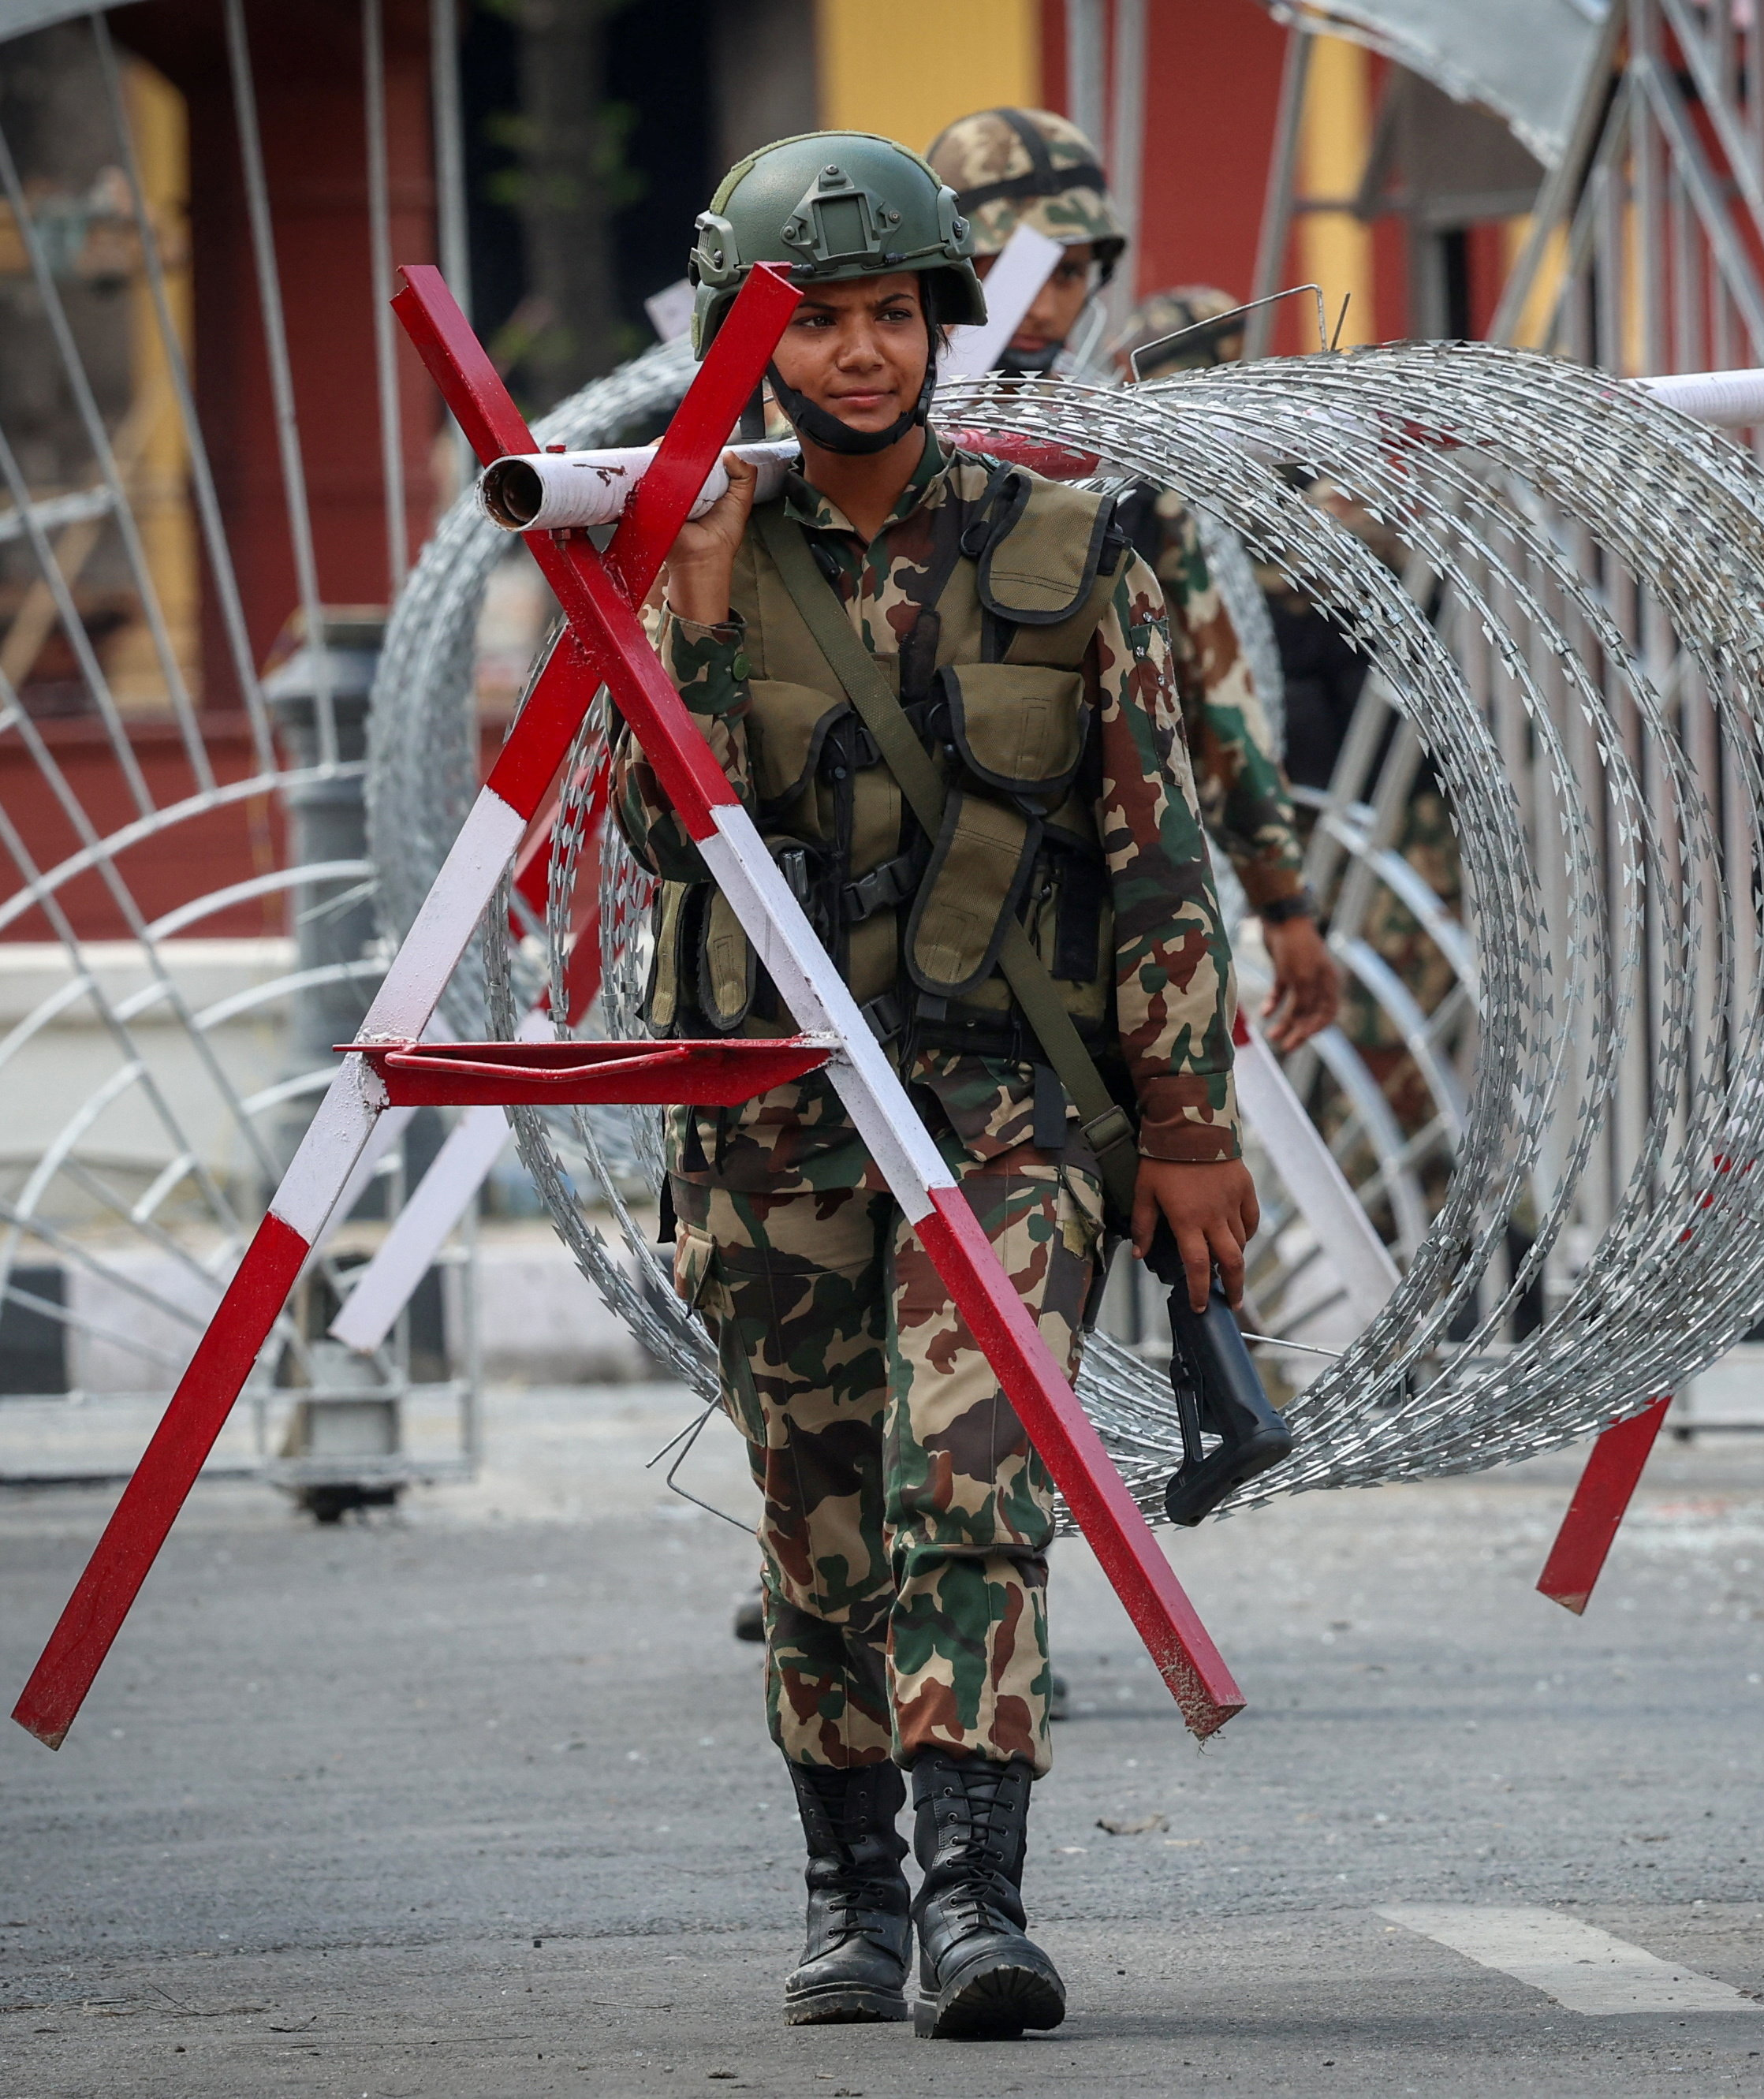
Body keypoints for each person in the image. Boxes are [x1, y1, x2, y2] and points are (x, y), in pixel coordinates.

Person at [631, 132, 1251, 2038]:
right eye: (814, 320)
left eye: (891, 313)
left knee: (970, 1472)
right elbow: (660, 830)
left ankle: (977, 1896)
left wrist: (1186, 1127)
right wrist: (698, 603)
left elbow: (1157, 857)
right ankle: (852, 1894)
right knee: (817, 1511)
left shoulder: (1062, 546)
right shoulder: (686, 545)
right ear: (746, 346)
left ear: (938, 326)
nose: (860, 351)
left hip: (1006, 1106)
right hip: (774, 1113)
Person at [923, 114, 1341, 1052]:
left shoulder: (1116, 457)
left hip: (1079, 884)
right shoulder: (847, 446)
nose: (1039, 302)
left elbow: (1209, 684)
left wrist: (1282, 900)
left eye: (1067, 273)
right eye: (1009, 268)